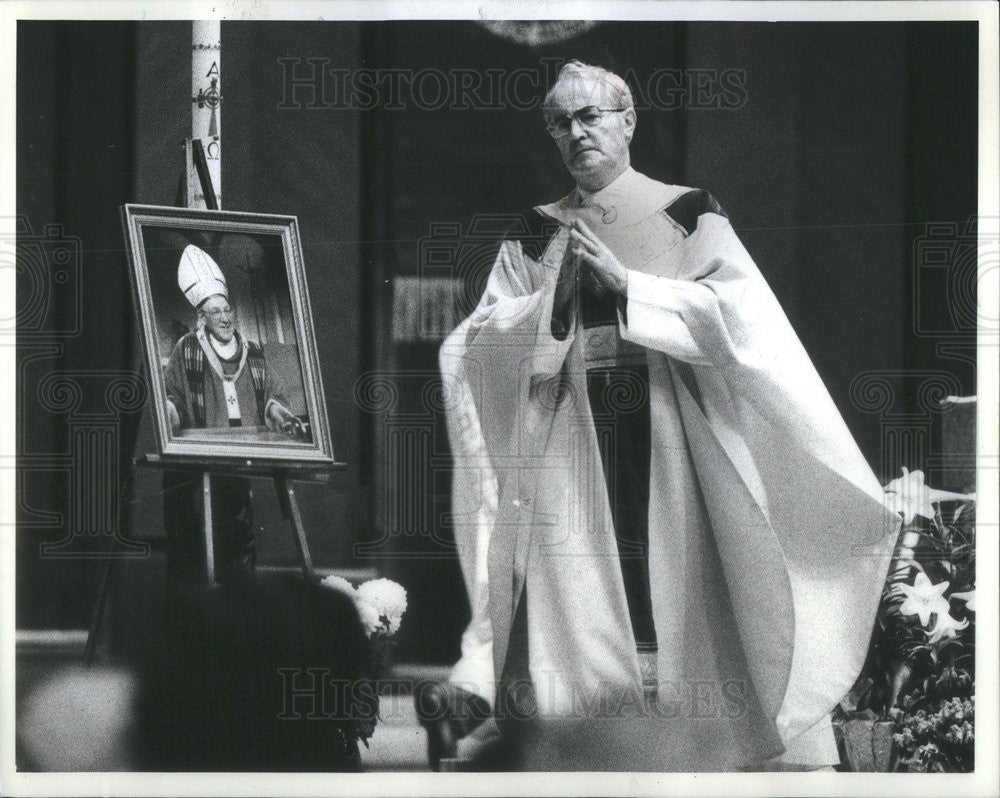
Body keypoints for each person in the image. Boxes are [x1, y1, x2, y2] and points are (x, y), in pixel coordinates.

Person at [425, 60, 900, 770]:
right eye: (561, 121)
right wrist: (550, 302)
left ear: (628, 121)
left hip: (673, 432)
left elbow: (739, 316)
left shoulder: (687, 211)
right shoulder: (532, 234)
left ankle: (705, 740)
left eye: (591, 116)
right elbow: (478, 343)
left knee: (688, 599)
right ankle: (586, 744)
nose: (577, 132)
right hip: (573, 437)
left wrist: (630, 288)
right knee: (576, 589)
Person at [161, 244, 301, 585]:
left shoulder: (251, 351)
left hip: (240, 460)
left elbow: (270, 397)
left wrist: (283, 417)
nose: (225, 317)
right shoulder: (188, 348)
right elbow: (174, 398)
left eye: (228, 310)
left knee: (239, 536)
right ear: (202, 317)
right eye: (216, 311)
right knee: (199, 539)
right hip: (202, 462)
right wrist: (169, 415)